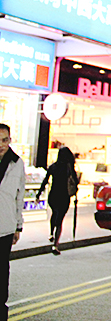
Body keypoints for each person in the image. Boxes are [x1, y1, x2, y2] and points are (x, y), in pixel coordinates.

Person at [0, 123, 25, 321]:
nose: (1, 144)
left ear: (10, 140)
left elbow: (19, 196)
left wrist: (18, 225)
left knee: (2, 270)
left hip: (5, 227)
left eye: (4, 140)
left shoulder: (17, 163)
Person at [37, 146, 78, 255]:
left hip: (53, 195)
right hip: (64, 196)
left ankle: (51, 233)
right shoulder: (69, 168)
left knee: (54, 213)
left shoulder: (53, 167)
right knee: (60, 220)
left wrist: (38, 194)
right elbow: (76, 181)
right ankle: (55, 245)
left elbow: (45, 181)